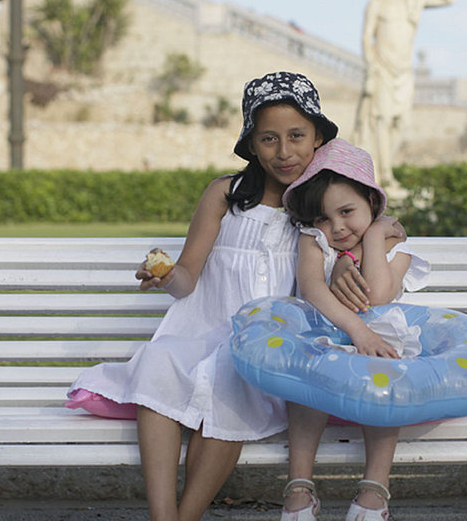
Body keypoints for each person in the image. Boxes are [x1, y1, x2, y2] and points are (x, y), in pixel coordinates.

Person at [65, 71, 341, 521]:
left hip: (264, 346)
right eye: (269, 138)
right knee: (158, 363)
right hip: (201, 333)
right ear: (252, 144)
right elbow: (188, 277)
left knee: (234, 380)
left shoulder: (318, 207)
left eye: (296, 136)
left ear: (317, 138)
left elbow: (364, 230)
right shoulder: (225, 194)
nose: (284, 151)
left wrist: (375, 241)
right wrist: (168, 275)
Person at [281, 138, 430, 521]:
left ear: (372, 204)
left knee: (386, 388)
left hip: (377, 338)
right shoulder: (314, 241)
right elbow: (312, 287)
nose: (337, 227)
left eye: (347, 211)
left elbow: (378, 295)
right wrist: (355, 330)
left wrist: (376, 237)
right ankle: (299, 487)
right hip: (324, 330)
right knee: (306, 384)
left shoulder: (396, 249)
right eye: (324, 218)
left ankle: (374, 489)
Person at [354, 0, 455, 196]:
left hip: (404, 71)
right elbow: (366, 38)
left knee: (401, 124)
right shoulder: (376, 4)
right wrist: (371, 67)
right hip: (383, 70)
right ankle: (385, 176)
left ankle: (385, 169)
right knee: (381, 120)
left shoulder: (413, 0)